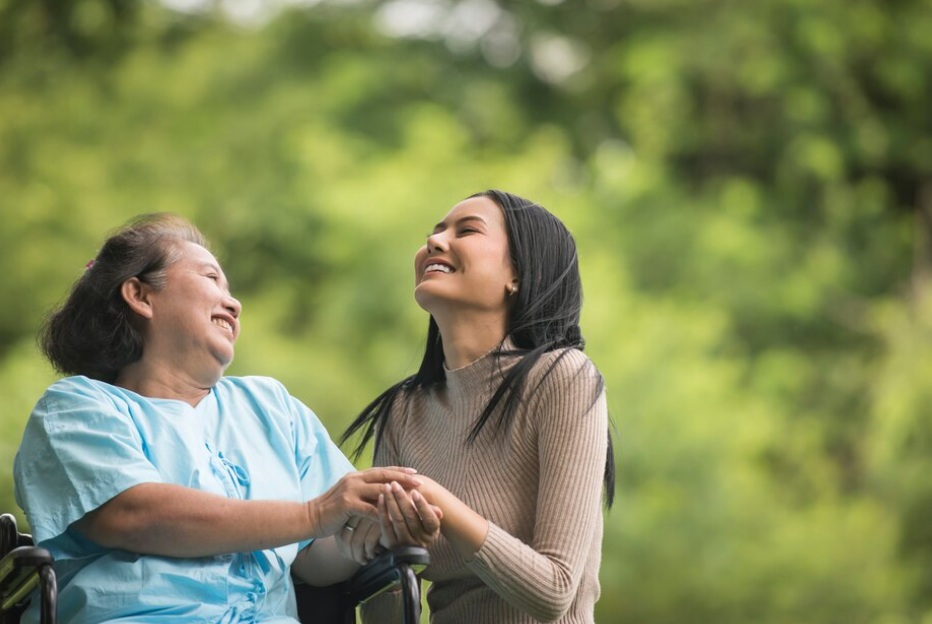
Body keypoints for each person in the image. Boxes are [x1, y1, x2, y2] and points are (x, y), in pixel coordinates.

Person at [13, 214, 431, 624]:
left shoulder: (272, 407)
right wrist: (316, 514)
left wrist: (374, 528)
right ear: (140, 295)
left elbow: (314, 562)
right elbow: (135, 516)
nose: (234, 303)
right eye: (210, 278)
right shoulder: (77, 408)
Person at [339, 190, 615, 624]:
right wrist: (377, 547)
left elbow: (554, 591)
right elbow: (391, 595)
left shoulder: (563, 377)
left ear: (519, 274)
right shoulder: (403, 410)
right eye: (434, 233)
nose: (434, 242)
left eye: (466, 230)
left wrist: (436, 501)